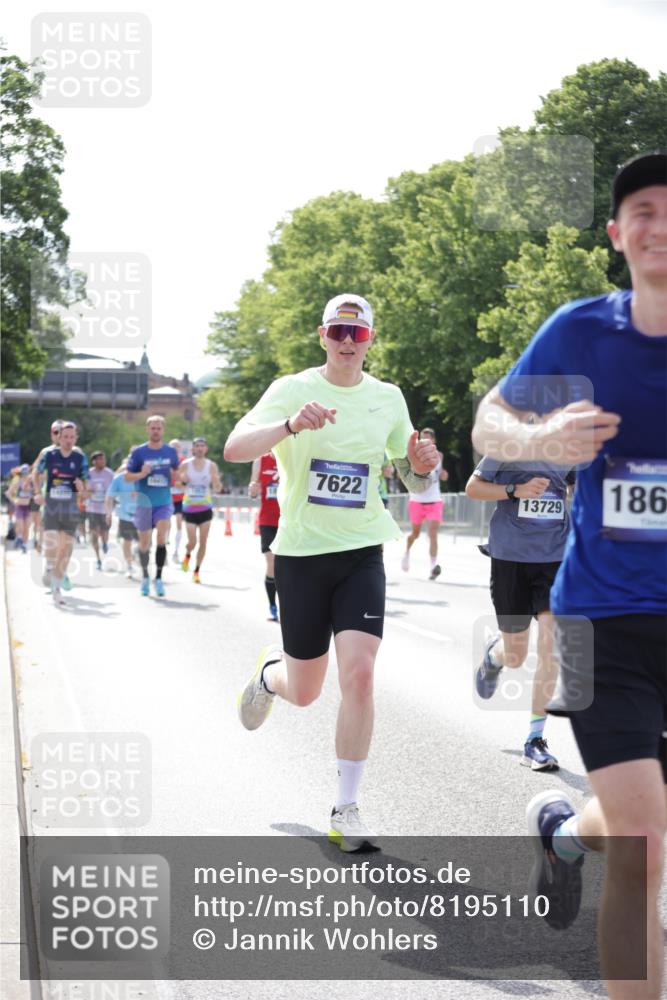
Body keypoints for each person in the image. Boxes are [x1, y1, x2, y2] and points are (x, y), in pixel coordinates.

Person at [471, 152, 667, 999]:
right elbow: (492, 417)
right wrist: (537, 441)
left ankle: (559, 831)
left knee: (637, 822)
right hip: (603, 619)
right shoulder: (582, 330)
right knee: (643, 843)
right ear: (619, 234)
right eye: (644, 209)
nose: (660, 224)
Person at [225, 293, 438, 851]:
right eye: (338, 332)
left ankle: (347, 807)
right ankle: (270, 676)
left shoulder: (388, 398)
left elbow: (412, 477)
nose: (348, 342)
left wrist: (419, 470)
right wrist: (290, 426)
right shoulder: (292, 389)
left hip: (363, 548)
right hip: (301, 554)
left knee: (361, 674)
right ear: (322, 336)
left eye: (358, 334)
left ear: (370, 340)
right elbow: (233, 446)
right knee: (305, 690)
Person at [465, 456, 576, 770]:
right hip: (511, 557)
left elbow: (579, 487)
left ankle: (535, 739)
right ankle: (495, 656)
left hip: (555, 557)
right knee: (515, 655)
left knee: (550, 647)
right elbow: (473, 488)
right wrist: (516, 489)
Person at [35, 421, 89, 605]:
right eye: (65, 436)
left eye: (72, 437)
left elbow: (85, 486)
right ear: (59, 438)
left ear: (76, 438)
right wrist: (37, 493)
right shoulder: (49, 455)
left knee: (65, 549)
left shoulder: (80, 458)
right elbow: (36, 473)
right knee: (52, 544)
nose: (68, 440)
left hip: (70, 509)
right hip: (51, 506)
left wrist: (82, 488)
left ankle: (56, 587)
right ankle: (50, 568)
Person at [125, 416, 180, 597]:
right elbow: (128, 477)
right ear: (147, 430)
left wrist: (177, 476)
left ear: (163, 430)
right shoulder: (139, 452)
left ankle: (158, 577)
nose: (156, 431)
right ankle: (145, 577)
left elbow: (177, 473)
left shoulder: (170, 452)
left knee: (162, 538)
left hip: (163, 501)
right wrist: (142, 473)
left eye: (159, 428)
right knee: (144, 543)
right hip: (144, 503)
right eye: (153, 428)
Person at [401, 428, 449, 579]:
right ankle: (407, 552)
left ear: (433, 441)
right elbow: (404, 474)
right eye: (422, 438)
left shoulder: (439, 456)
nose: (424, 441)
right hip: (417, 500)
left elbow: (442, 474)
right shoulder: (412, 454)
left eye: (428, 439)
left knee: (433, 533)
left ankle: (433, 566)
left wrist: (443, 474)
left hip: (434, 500)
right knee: (415, 534)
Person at [179, 437, 222, 583]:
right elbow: (178, 485)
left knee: (203, 541)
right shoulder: (185, 465)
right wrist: (183, 480)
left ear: (206, 449)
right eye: (197, 446)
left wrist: (217, 483)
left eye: (202, 446)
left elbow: (218, 488)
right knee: (192, 541)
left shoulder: (212, 466)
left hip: (205, 508)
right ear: (193, 449)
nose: (199, 448)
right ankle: (187, 554)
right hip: (189, 508)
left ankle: (196, 571)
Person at [248, 451, 281, 620]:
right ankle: (272, 605)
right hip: (267, 520)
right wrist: (253, 491)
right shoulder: (260, 460)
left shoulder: (294, 455)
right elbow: (253, 490)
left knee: (289, 567)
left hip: (289, 522)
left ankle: (289, 604)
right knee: (272, 562)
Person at [106, 457, 139, 578]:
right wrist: (108, 512)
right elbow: (109, 497)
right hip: (125, 514)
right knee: (127, 541)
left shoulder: (144, 477)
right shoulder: (119, 479)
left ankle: (137, 552)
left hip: (143, 514)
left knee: (143, 543)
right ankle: (129, 566)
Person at [86, 451, 114, 570]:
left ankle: (105, 543)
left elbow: (113, 490)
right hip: (92, 508)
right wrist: (89, 492)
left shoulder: (109, 473)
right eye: (100, 459)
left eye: (104, 459)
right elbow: (85, 489)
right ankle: (98, 559)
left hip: (105, 508)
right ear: (94, 461)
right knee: (94, 534)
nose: (103, 461)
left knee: (104, 532)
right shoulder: (89, 473)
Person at [6, 464, 35, 552]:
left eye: (26, 473)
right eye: (23, 473)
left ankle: (24, 545)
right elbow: (8, 493)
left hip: (28, 507)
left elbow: (36, 493)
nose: (25, 475)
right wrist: (14, 501)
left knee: (27, 528)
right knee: (21, 526)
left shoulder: (31, 483)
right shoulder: (18, 482)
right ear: (21, 473)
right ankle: (19, 538)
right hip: (19, 507)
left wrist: (33, 496)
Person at [169, 438, 186, 563]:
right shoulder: (164, 460)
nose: (175, 449)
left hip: (180, 498)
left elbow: (188, 479)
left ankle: (175, 552)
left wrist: (183, 484)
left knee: (179, 524)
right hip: (166, 497)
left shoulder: (184, 461)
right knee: (165, 525)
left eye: (177, 446)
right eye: (173, 446)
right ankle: (163, 547)